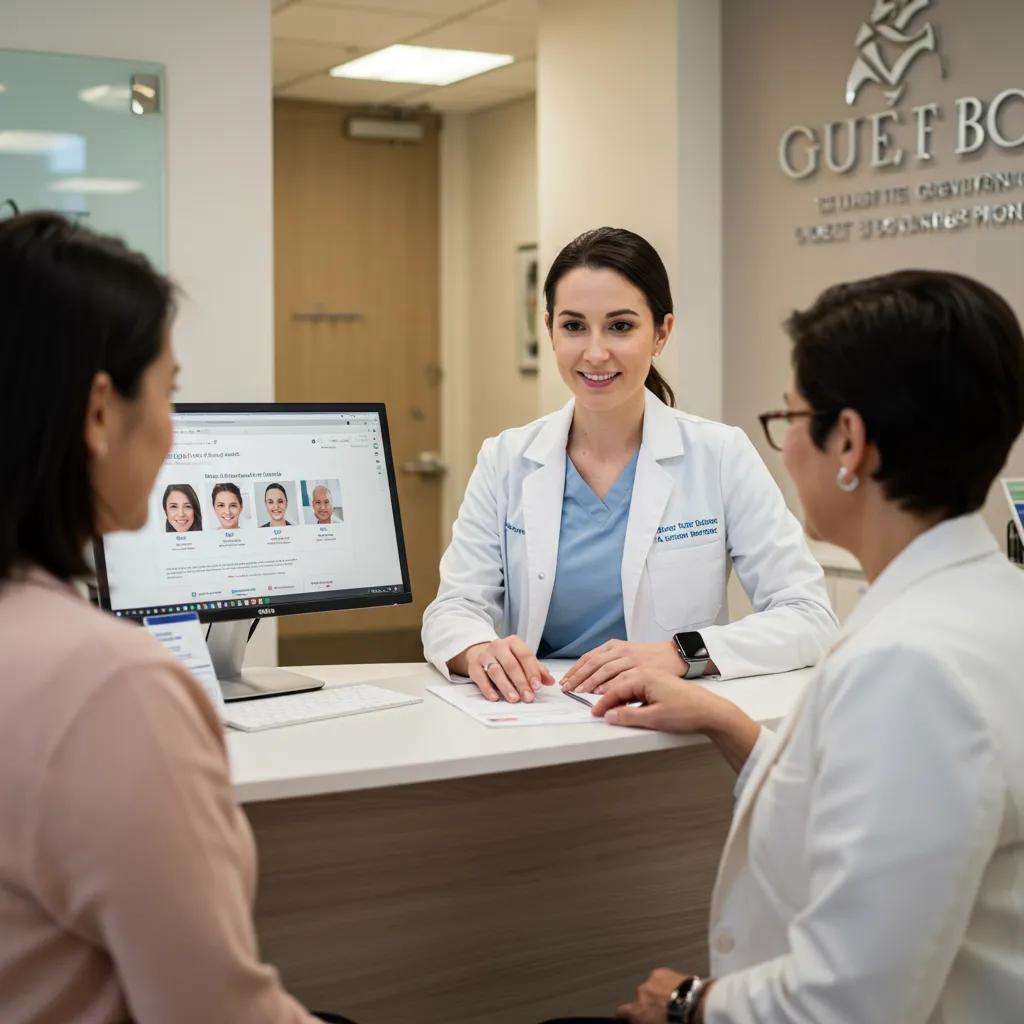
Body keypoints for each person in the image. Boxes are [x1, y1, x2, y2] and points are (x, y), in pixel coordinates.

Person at [549, 269, 1024, 1023]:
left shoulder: (909, 667)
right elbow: (877, 807)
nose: (786, 446)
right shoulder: (989, 605)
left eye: (792, 416)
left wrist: (687, 1004)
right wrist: (723, 720)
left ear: (850, 444)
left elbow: (850, 1000)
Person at [0, 212, 355, 1023]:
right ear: (99, 412)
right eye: (170, 391)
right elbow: (216, 1011)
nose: (172, 428)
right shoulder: (109, 686)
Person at [422, 227, 838, 703]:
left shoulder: (720, 455)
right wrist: (477, 649)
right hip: (538, 717)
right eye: (574, 326)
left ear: (662, 332)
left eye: (620, 326)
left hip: (666, 723)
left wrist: (682, 654)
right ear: (549, 329)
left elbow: (809, 616)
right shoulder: (506, 459)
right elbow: (453, 607)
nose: (595, 352)